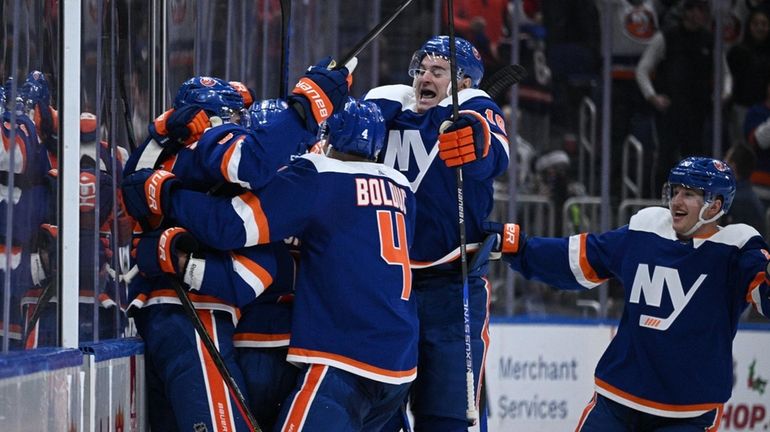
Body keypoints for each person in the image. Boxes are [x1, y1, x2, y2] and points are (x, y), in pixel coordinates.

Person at [123, 98, 419, 431]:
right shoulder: (401, 186)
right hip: (400, 358)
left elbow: (232, 234)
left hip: (308, 351)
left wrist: (165, 199)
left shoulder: (311, 180)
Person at [486, 156, 770, 431]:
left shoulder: (738, 248)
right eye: (675, 191)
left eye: (690, 194)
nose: (676, 201)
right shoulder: (647, 229)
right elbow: (579, 258)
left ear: (715, 206)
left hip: (688, 413)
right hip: (618, 399)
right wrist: (520, 248)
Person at [364, 35, 510, 430]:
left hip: (451, 286)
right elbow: (344, 137)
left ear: (463, 82)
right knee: (376, 410)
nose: (424, 77)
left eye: (437, 71)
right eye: (421, 69)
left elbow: (494, 153)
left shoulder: (476, 107)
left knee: (447, 415)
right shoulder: (387, 105)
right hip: (388, 285)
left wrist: (476, 142)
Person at [636, 0, 733, 193]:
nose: (700, 14)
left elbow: (725, 74)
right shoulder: (667, 36)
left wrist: (725, 93)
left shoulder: (710, 40)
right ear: (686, 12)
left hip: (699, 113)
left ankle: (693, 205)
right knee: (665, 160)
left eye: (703, 10)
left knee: (697, 162)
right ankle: (659, 203)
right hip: (671, 112)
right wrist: (652, 97)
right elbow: (642, 69)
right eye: (696, 9)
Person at [723, 143, 766, 232]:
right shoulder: (746, 193)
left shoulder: (736, 200)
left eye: (726, 158)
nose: (723, 162)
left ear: (733, 166)